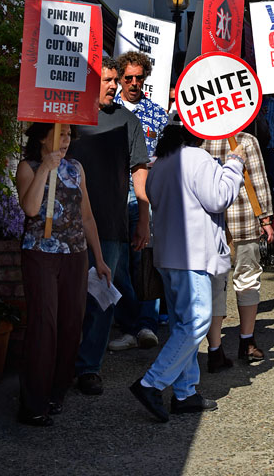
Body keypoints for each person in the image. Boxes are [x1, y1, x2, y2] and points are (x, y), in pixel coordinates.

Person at [129, 114, 245, 422]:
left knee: (183, 325)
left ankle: (185, 392)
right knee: (196, 323)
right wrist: (234, 165)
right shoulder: (197, 158)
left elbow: (152, 194)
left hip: (168, 253)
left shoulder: (161, 161)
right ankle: (151, 383)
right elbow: (219, 198)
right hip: (192, 254)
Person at [16, 123, 111, 426]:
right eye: (60, 134)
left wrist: (99, 258)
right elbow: (30, 209)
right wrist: (46, 167)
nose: (66, 140)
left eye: (69, 134)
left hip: (75, 254)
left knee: (71, 326)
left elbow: (86, 216)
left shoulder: (76, 168)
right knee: (44, 326)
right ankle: (33, 404)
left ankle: (56, 393)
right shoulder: (28, 166)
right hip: (41, 253)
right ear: (42, 137)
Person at [69, 57, 150, 397]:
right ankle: (63, 361)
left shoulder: (127, 122)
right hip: (68, 223)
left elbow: (140, 169)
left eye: (115, 79)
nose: (114, 85)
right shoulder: (72, 116)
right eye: (106, 80)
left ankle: (89, 367)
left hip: (110, 224)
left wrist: (143, 217)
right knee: (72, 298)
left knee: (101, 298)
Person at [109, 51, 169, 351]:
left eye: (139, 77)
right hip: (111, 191)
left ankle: (147, 325)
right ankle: (129, 323)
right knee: (116, 260)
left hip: (145, 192)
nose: (134, 83)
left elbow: (165, 156)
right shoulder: (108, 109)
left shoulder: (158, 114)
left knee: (144, 258)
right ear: (119, 78)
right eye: (128, 77)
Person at [202, 132, 274, 370]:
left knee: (214, 285)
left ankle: (215, 348)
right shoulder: (246, 139)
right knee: (248, 280)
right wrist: (265, 219)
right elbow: (259, 181)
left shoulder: (197, 137)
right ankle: (246, 341)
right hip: (243, 218)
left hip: (208, 222)